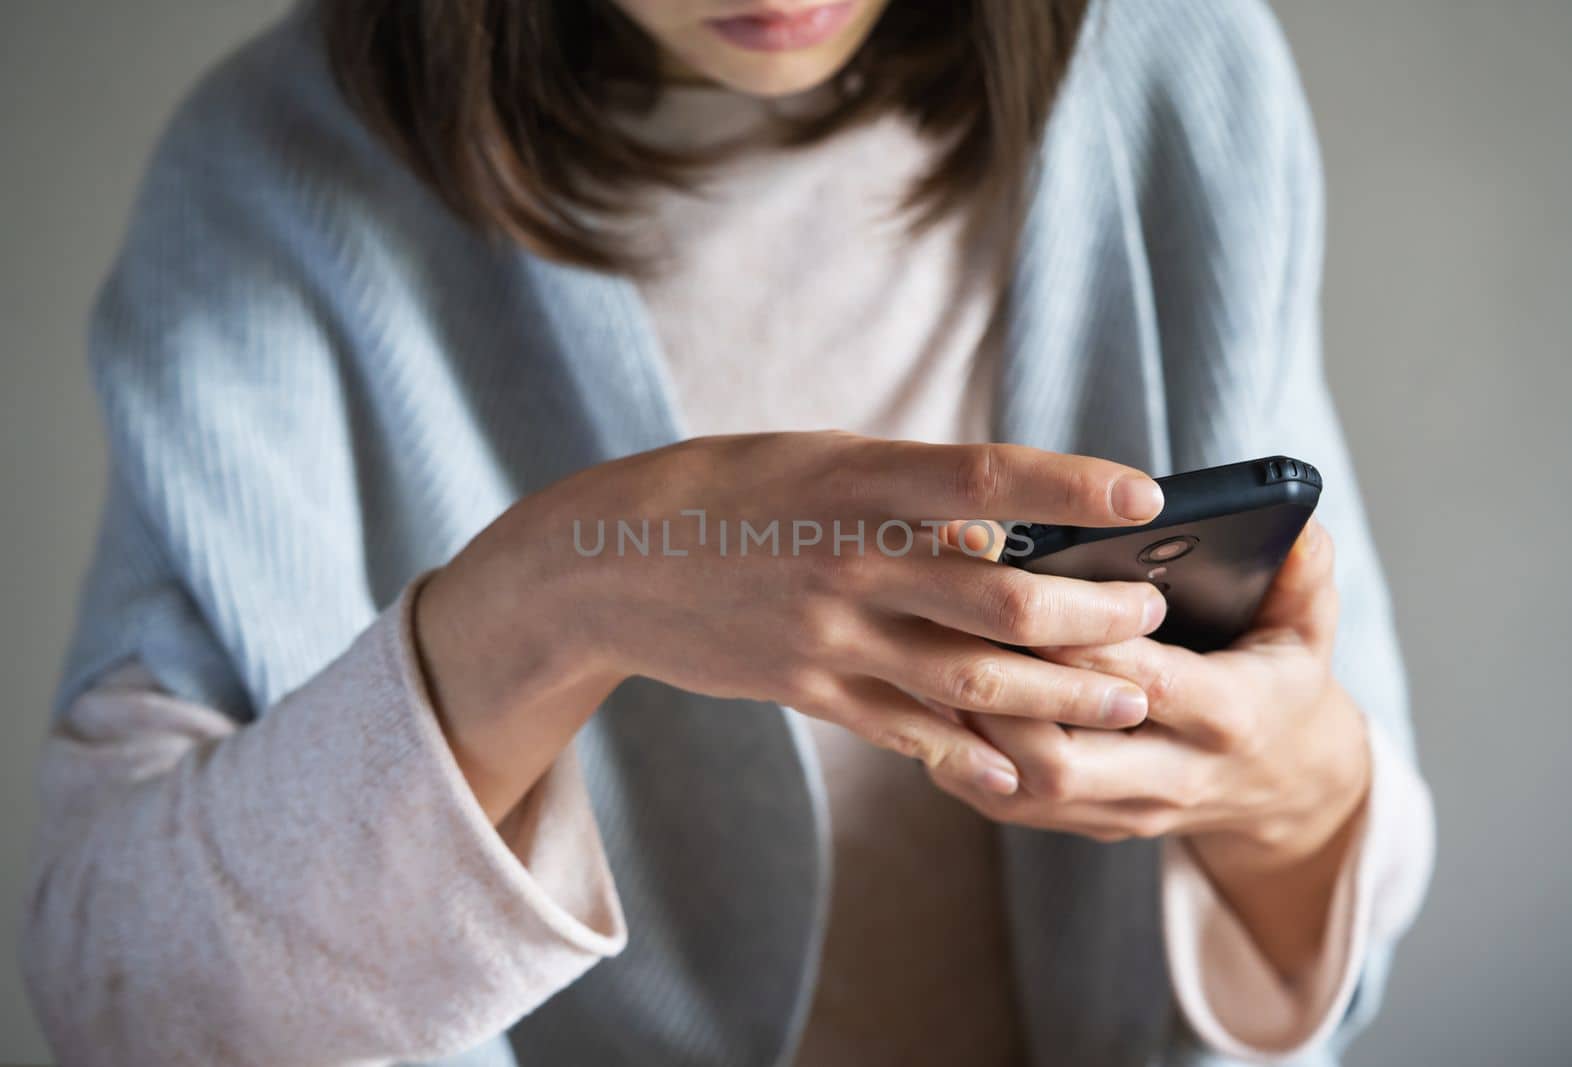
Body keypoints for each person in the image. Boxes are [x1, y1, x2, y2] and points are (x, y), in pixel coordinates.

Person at [21, 1, 1434, 1064]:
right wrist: (567, 590)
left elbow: (1348, 854)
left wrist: (1295, 793)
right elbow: (109, 982)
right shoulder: (272, 183)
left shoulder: (1176, 71)